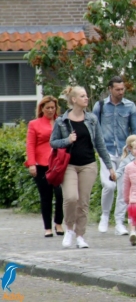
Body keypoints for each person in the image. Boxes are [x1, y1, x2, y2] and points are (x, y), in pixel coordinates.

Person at [50, 86, 116, 249]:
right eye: (82, 96)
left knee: (83, 202)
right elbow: (53, 142)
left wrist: (110, 167)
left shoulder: (92, 119)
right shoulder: (62, 121)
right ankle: (69, 230)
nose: (86, 98)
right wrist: (67, 140)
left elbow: (100, 145)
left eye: (86, 96)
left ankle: (80, 235)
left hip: (88, 165)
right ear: (74, 100)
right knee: (71, 198)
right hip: (69, 165)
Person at [93, 76, 136, 236]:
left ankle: (119, 222)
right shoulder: (100, 106)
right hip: (105, 151)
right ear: (110, 89)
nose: (121, 92)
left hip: (124, 153)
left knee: (123, 188)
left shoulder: (130, 106)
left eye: (123, 89)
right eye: (117, 89)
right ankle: (105, 215)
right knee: (109, 185)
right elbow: (93, 129)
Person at [25, 96, 64, 238]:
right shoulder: (34, 124)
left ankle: (58, 222)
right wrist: (31, 163)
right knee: (46, 196)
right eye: (47, 108)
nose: (50, 110)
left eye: (53, 108)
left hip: (58, 164)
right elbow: (30, 144)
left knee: (61, 194)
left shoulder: (61, 122)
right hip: (42, 164)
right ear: (42, 109)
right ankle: (47, 227)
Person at [115, 134, 136, 245]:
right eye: (135, 147)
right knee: (125, 203)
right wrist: (115, 175)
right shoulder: (126, 160)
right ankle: (127, 228)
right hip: (128, 187)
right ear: (130, 148)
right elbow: (120, 171)